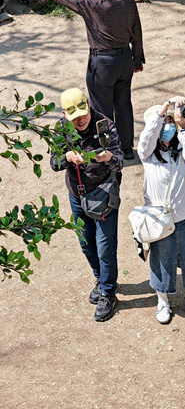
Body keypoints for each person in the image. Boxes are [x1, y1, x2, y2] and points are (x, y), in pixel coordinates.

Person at [29, 0, 144, 160]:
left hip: (102, 64)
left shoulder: (92, 4)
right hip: (125, 59)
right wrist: (137, 57)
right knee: (124, 103)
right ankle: (126, 148)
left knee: (102, 109)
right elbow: (137, 30)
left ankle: (107, 150)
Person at [50, 88, 124, 322]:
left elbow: (121, 162)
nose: (80, 119)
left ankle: (108, 293)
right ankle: (100, 279)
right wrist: (67, 158)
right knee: (86, 244)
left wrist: (108, 158)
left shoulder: (105, 125)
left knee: (105, 247)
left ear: (89, 106)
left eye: (83, 113)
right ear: (64, 115)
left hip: (103, 195)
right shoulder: (61, 130)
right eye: (74, 117)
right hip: (76, 195)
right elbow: (53, 163)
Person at [136, 96, 185, 324]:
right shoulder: (147, 155)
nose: (167, 126)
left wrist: (182, 124)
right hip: (158, 219)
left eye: (170, 122)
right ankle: (163, 302)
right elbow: (146, 140)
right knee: (161, 260)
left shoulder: (181, 152)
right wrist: (162, 110)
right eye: (163, 122)